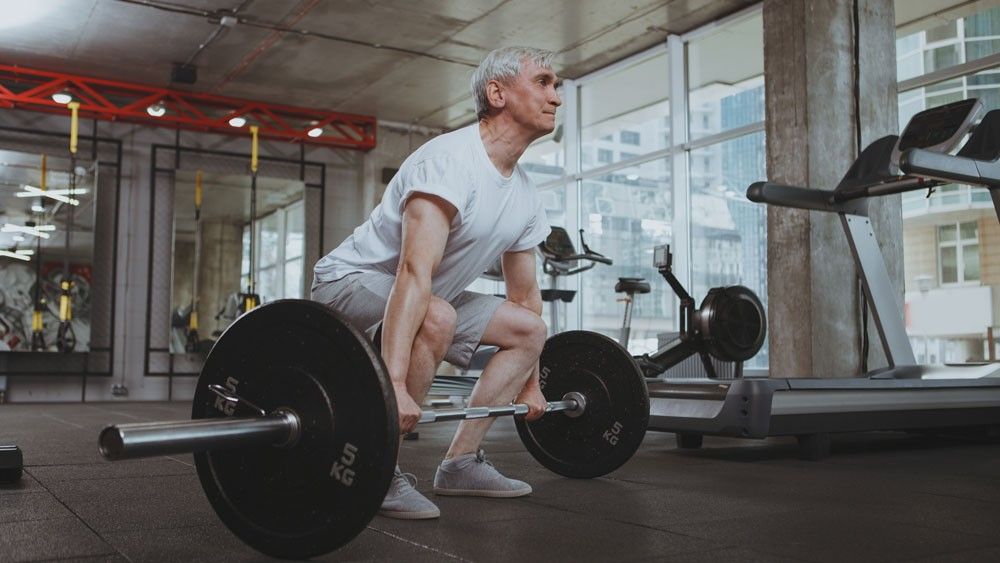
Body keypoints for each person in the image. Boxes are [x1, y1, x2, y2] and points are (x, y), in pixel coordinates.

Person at [311, 46, 561, 519]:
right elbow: (412, 272)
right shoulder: (450, 160)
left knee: (529, 330)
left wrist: (531, 386)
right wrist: (398, 385)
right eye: (545, 82)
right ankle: (377, 469)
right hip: (348, 282)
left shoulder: (526, 193)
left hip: (421, 295)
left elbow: (525, 297)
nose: (557, 97)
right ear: (498, 93)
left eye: (557, 85)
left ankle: (461, 464)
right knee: (436, 313)